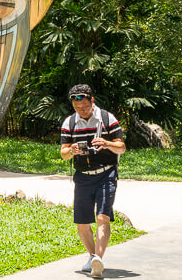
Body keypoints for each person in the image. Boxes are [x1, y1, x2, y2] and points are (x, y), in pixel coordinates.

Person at [59, 84, 127, 278]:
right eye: (77, 107)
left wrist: (106, 143)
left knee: (102, 217)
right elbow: (63, 153)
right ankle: (93, 258)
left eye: (85, 107)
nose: (82, 111)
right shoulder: (69, 123)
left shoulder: (107, 118)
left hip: (106, 174)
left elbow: (121, 147)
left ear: (92, 101)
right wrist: (72, 150)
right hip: (82, 177)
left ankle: (98, 257)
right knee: (82, 222)